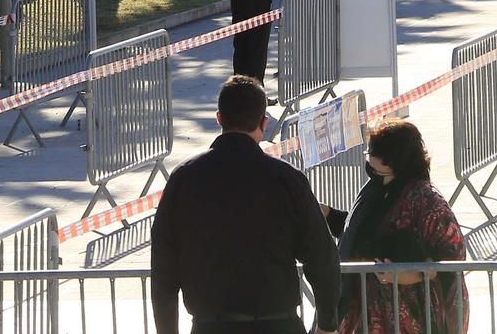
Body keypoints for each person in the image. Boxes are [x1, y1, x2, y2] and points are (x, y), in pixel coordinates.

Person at [150, 75, 339, 334]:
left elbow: (164, 270)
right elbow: (322, 257)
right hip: (278, 324)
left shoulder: (184, 178)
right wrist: (328, 323)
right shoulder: (286, 179)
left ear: (219, 119)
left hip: (211, 325)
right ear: (264, 122)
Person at [325, 120, 467, 334]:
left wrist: (412, 274)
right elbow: (361, 233)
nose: (367, 156)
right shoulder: (376, 189)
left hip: (411, 315)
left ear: (390, 161)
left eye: (371, 152)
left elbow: (452, 254)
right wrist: (326, 214)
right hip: (369, 310)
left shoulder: (426, 199)